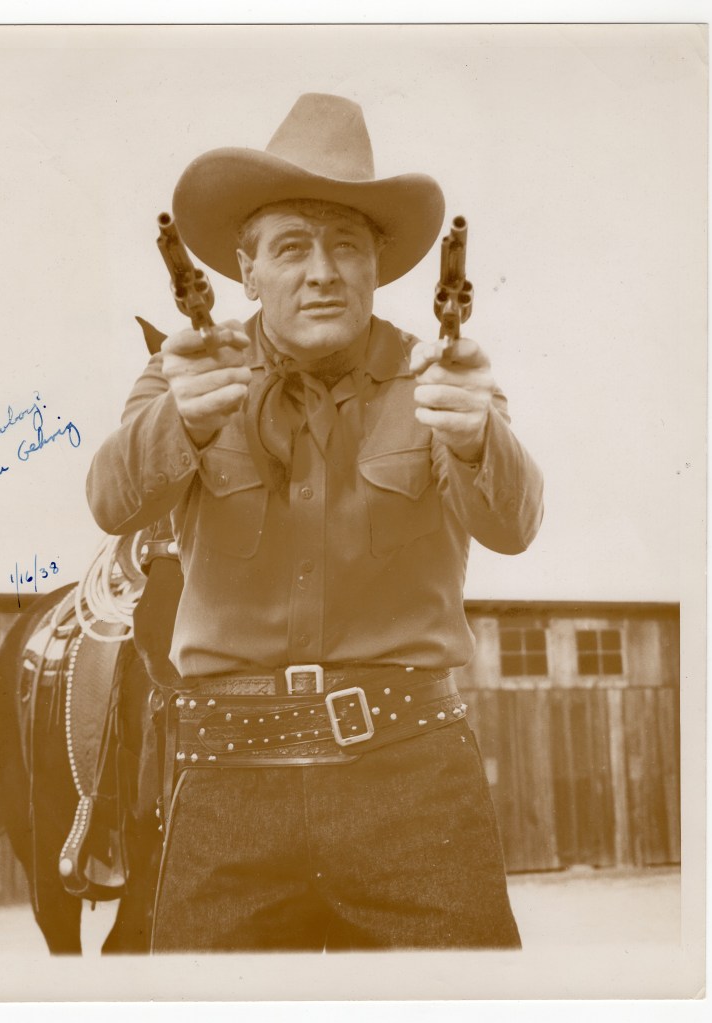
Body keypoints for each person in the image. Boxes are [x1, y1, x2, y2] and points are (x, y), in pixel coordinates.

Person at [87, 93, 543, 952]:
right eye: (291, 247)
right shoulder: (184, 373)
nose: (322, 272)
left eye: (345, 246)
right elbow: (113, 503)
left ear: (377, 266)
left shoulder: (442, 375)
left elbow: (513, 525)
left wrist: (477, 433)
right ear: (246, 271)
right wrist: (178, 421)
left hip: (412, 789)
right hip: (228, 789)